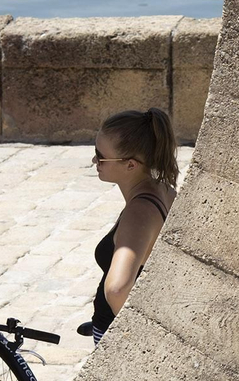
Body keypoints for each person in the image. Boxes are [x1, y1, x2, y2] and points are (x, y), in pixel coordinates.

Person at [76, 108, 180, 342]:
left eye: (100, 156)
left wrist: (135, 342)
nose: (95, 160)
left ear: (131, 165)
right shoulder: (165, 190)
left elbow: (117, 289)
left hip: (114, 338)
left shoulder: (139, 213)